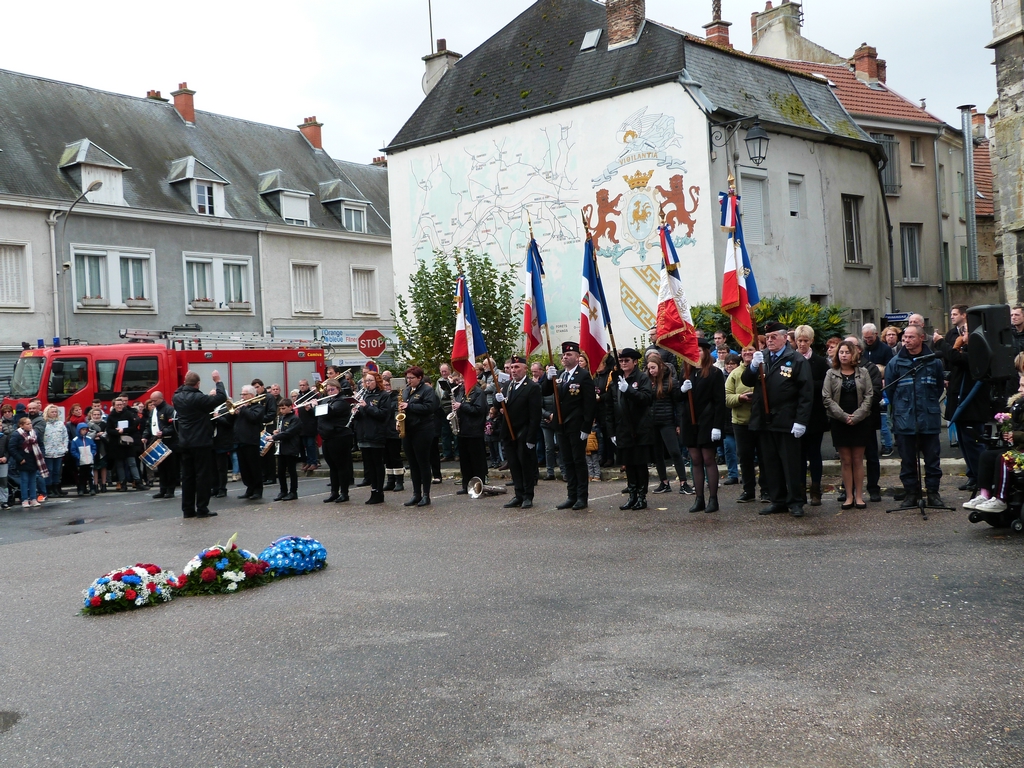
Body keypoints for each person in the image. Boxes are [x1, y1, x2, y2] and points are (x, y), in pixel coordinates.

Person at [742, 321, 814, 517]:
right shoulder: (762, 357)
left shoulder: (796, 360)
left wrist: (801, 421)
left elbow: (806, 393)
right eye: (768, 337)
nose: (770, 340)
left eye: (774, 336)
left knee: (791, 464)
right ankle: (778, 500)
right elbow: (747, 381)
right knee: (770, 463)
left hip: (787, 420)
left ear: (784, 338)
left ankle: (796, 501)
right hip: (765, 420)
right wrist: (752, 366)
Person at [884, 325, 946, 508]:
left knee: (932, 460)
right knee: (908, 460)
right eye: (905, 338)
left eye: (911, 337)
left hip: (928, 418)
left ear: (922, 338)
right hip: (905, 419)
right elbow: (891, 389)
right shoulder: (895, 363)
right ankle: (911, 493)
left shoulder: (934, 362)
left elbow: (938, 388)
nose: (907, 341)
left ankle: (933, 493)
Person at [935, 304, 992, 496]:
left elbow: (954, 357)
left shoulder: (977, 351)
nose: (962, 334)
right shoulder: (964, 348)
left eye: (965, 331)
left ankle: (982, 480)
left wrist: (943, 342)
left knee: (974, 445)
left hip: (971, 408)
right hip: (959, 405)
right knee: (965, 445)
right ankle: (974, 477)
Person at [543, 341, 596, 510]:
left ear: (577, 357)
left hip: (576, 425)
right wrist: (547, 377)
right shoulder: (559, 375)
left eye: (569, 355)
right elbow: (544, 391)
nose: (565, 357)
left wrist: (586, 427)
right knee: (567, 461)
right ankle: (571, 495)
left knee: (578, 461)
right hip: (560, 425)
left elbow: (589, 404)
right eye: (564, 355)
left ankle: (582, 497)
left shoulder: (583, 376)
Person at [823, 341, 875, 509]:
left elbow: (869, 395)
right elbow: (827, 398)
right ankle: (849, 496)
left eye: (847, 352)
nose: (843, 355)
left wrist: (857, 416)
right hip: (840, 421)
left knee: (858, 459)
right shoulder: (831, 373)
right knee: (846, 460)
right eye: (841, 352)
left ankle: (859, 496)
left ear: (854, 354)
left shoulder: (863, 372)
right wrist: (844, 416)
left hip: (860, 420)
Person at [679, 338, 727, 513]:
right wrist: (682, 390)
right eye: (693, 350)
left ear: (706, 352)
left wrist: (717, 426)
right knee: (696, 460)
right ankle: (699, 498)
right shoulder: (686, 372)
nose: (696, 353)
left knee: (708, 459)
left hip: (708, 421)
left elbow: (719, 402)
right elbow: (677, 398)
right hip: (689, 422)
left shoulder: (714, 373)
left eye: (699, 350)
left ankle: (713, 499)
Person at [964, 373, 1024, 513]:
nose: (1019, 389)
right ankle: (985, 495)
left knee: (1003, 459)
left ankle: (1000, 499)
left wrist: (1014, 435)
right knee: (987, 456)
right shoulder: (1018, 405)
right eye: (1020, 385)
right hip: (1018, 447)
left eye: (1022, 386)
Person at [172, 370, 226, 518]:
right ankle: (202, 508)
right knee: (203, 476)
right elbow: (222, 397)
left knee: (187, 477)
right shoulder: (199, 398)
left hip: (184, 442)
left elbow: (181, 388)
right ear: (198, 384)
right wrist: (218, 381)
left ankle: (187, 510)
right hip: (201, 442)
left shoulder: (176, 397)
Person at [609, 348, 654, 510]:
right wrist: (612, 431)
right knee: (628, 464)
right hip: (623, 428)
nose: (623, 363)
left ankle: (642, 497)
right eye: (621, 361)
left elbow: (646, 398)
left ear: (635, 362)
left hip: (639, 428)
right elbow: (611, 405)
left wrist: (629, 391)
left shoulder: (642, 378)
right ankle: (632, 495)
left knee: (640, 464)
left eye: (626, 361)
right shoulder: (616, 378)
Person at [495, 355, 542, 508]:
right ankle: (518, 494)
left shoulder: (532, 387)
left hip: (524, 432)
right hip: (509, 432)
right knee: (514, 465)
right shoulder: (508, 385)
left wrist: (531, 438)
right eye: (512, 367)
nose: (514, 370)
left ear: (525, 369)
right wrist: (498, 400)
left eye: (517, 367)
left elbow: (535, 415)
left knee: (525, 465)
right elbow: (501, 408)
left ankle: (528, 496)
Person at [646, 353, 692, 496]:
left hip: (667, 421)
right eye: (649, 368)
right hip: (652, 422)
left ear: (660, 366)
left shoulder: (671, 381)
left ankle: (683, 482)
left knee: (674, 452)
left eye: (653, 368)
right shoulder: (647, 381)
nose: (651, 371)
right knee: (657, 454)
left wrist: (678, 423)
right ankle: (664, 482)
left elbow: (677, 403)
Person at [794, 325, 830, 506]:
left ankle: (816, 490)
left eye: (805, 341)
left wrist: (805, 385)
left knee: (814, 454)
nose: (802, 344)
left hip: (815, 415)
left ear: (811, 341)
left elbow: (824, 385)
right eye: (799, 341)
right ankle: (800, 491)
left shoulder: (820, 362)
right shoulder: (789, 360)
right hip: (796, 416)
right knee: (798, 456)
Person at [726, 346, 767, 503]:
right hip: (741, 423)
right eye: (744, 351)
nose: (748, 353)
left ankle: (766, 491)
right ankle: (748, 490)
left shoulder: (764, 369)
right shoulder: (735, 374)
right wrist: (740, 398)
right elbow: (727, 398)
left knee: (765, 457)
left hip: (762, 422)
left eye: (751, 350)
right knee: (745, 458)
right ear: (740, 354)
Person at [399, 366, 440, 507]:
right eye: (407, 378)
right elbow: (399, 408)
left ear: (419, 378)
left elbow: (429, 408)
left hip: (422, 430)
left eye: (411, 378)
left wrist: (409, 406)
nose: (408, 380)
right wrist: (398, 422)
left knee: (423, 463)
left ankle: (426, 495)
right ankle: (416, 494)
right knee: (412, 464)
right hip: (408, 430)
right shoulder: (406, 391)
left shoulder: (427, 390)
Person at [351, 371, 394, 504]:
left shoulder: (383, 396)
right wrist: (355, 412)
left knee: (377, 464)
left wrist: (367, 406)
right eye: (365, 381)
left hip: (376, 434)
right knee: (369, 465)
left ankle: (379, 492)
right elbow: (360, 417)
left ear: (377, 381)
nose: (367, 383)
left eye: (370, 380)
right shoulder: (364, 395)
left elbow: (383, 414)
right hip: (364, 434)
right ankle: (373, 490)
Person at [317, 378, 355, 503]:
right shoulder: (328, 400)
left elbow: (329, 412)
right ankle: (334, 492)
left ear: (338, 389)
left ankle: (344, 493)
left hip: (340, 437)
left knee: (341, 466)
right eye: (328, 390)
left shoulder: (342, 401)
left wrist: (316, 406)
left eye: (332, 389)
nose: (330, 392)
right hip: (328, 437)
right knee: (332, 467)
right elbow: (318, 415)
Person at [452, 370, 489, 496]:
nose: (461, 381)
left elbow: (479, 410)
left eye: (463, 379)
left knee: (476, 461)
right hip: (462, 430)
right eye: (460, 379)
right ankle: (466, 484)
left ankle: (479, 485)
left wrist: (461, 406)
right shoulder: (460, 391)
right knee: (465, 461)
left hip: (474, 431)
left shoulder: (478, 392)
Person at [145, 390, 177, 499]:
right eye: (151, 401)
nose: (152, 403)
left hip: (169, 441)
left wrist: (164, 432)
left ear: (161, 399)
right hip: (157, 441)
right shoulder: (153, 411)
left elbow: (174, 426)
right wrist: (145, 436)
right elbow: (149, 425)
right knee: (161, 468)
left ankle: (170, 490)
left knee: (170, 467)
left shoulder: (169, 409)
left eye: (155, 400)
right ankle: (162, 489)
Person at [106, 397, 143, 492]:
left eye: (121, 404)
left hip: (128, 442)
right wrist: (117, 432)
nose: (119, 406)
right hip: (116, 444)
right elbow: (108, 430)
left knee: (132, 463)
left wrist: (124, 430)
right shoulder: (111, 417)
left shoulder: (128, 414)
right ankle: (123, 483)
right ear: (113, 406)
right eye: (117, 405)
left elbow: (134, 427)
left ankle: (138, 482)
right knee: (120, 464)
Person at [9, 416, 47, 508]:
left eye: (30, 423)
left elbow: (40, 444)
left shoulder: (35, 433)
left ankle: (33, 499)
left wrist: (42, 455)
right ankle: (25, 499)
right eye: (27, 424)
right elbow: (12, 448)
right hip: (23, 461)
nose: (30, 425)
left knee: (33, 480)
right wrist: (20, 459)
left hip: (34, 459)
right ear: (21, 425)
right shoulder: (16, 434)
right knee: (24, 480)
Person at [269, 398, 300, 501]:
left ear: (290, 407)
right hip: (282, 447)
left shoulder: (295, 419)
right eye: (280, 408)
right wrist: (277, 431)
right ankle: (283, 491)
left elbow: (289, 432)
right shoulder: (282, 418)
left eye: (284, 408)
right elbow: (283, 431)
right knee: (281, 471)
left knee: (291, 471)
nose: (281, 411)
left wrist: (274, 437)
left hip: (291, 447)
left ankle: (293, 492)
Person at [720, 354, 741, 485]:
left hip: (739, 418)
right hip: (726, 420)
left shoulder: (741, 376)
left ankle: (746, 473)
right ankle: (733, 474)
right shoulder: (720, 377)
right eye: (728, 364)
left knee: (742, 451)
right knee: (729, 448)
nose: (729, 366)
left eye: (732, 364)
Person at [42, 404, 68, 498]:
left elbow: (65, 436)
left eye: (55, 412)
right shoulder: (44, 423)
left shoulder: (60, 424)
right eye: (52, 412)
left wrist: (65, 448)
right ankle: (49, 489)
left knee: (57, 471)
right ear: (47, 413)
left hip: (59, 451)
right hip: (48, 452)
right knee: (49, 470)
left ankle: (56, 487)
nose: (54, 413)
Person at [296, 379, 321, 472]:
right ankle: (308, 462)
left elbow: (316, 410)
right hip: (302, 424)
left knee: (311, 445)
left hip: (311, 424)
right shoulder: (299, 396)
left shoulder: (312, 395)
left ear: (307, 386)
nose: (302, 387)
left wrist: (310, 409)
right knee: (305, 444)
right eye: (300, 385)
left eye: (304, 385)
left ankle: (314, 462)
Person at [68, 422, 97, 495]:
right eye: (83, 429)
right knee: (81, 476)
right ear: (79, 430)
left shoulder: (89, 439)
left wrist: (92, 454)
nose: (84, 431)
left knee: (90, 475)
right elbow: (73, 450)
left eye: (85, 430)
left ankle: (92, 488)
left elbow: (94, 447)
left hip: (89, 460)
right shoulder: (75, 440)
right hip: (81, 461)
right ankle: (81, 489)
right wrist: (79, 457)